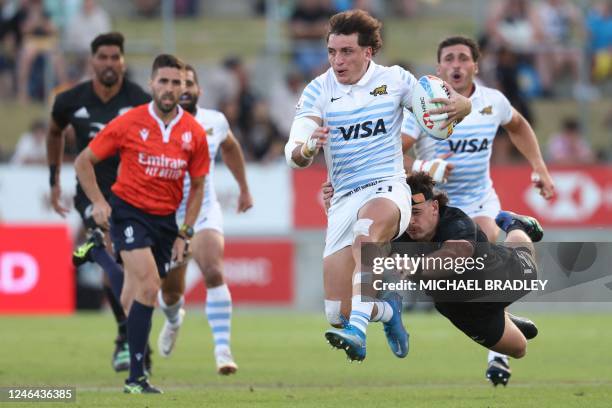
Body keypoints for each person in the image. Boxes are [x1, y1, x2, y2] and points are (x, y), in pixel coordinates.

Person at [284, 10, 471, 362]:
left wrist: (464, 103)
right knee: (335, 314)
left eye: (347, 51)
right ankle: (387, 312)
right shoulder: (318, 91)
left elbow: (443, 109)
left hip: (387, 188)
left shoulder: (396, 81)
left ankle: (357, 332)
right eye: (332, 52)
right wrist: (307, 148)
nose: (338, 60)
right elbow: (294, 153)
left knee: (366, 234)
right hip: (343, 199)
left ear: (368, 52)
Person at [400, 36, 554, 386]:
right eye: (449, 59)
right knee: (447, 285)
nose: (456, 64)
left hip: (477, 202)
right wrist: (426, 165)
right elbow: (396, 152)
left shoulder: (492, 101)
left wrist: (539, 166)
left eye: (463, 58)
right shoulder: (424, 106)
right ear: (439, 69)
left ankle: (496, 351)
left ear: (475, 66)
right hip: (431, 211)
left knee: (477, 251)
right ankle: (504, 320)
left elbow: (517, 125)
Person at [74, 54, 210, 394]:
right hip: (129, 211)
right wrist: (100, 203)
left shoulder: (194, 133)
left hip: (165, 220)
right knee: (150, 286)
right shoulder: (129, 122)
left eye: (176, 82)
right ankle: (136, 379)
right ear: (151, 84)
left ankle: (97, 254)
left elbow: (198, 187)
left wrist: (186, 231)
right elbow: (83, 161)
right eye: (163, 81)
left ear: (184, 87)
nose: (169, 88)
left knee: (131, 299)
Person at [46, 32, 151, 373]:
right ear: (92, 61)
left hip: (133, 193)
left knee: (134, 270)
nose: (109, 63)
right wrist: (53, 179)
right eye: (102, 57)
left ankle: (128, 334)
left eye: (114, 57)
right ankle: (125, 339)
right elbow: (54, 133)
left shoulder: (139, 100)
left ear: (122, 60)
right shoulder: (69, 100)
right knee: (114, 255)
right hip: (92, 194)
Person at [392, 172, 541, 386]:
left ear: (434, 207)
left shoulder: (456, 221)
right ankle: (503, 318)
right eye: (407, 215)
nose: (411, 222)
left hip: (501, 279)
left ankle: (515, 225)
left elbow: (454, 256)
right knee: (519, 348)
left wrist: (416, 265)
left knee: (527, 267)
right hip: (459, 308)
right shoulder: (397, 231)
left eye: (416, 213)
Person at [156, 64, 253, 375]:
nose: (183, 89)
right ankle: (173, 319)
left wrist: (244, 189)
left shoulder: (214, 121)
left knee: (213, 270)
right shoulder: (156, 123)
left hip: (205, 209)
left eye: (189, 84)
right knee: (171, 292)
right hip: (166, 216)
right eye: (177, 83)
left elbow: (231, 148)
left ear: (198, 89)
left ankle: (222, 350)